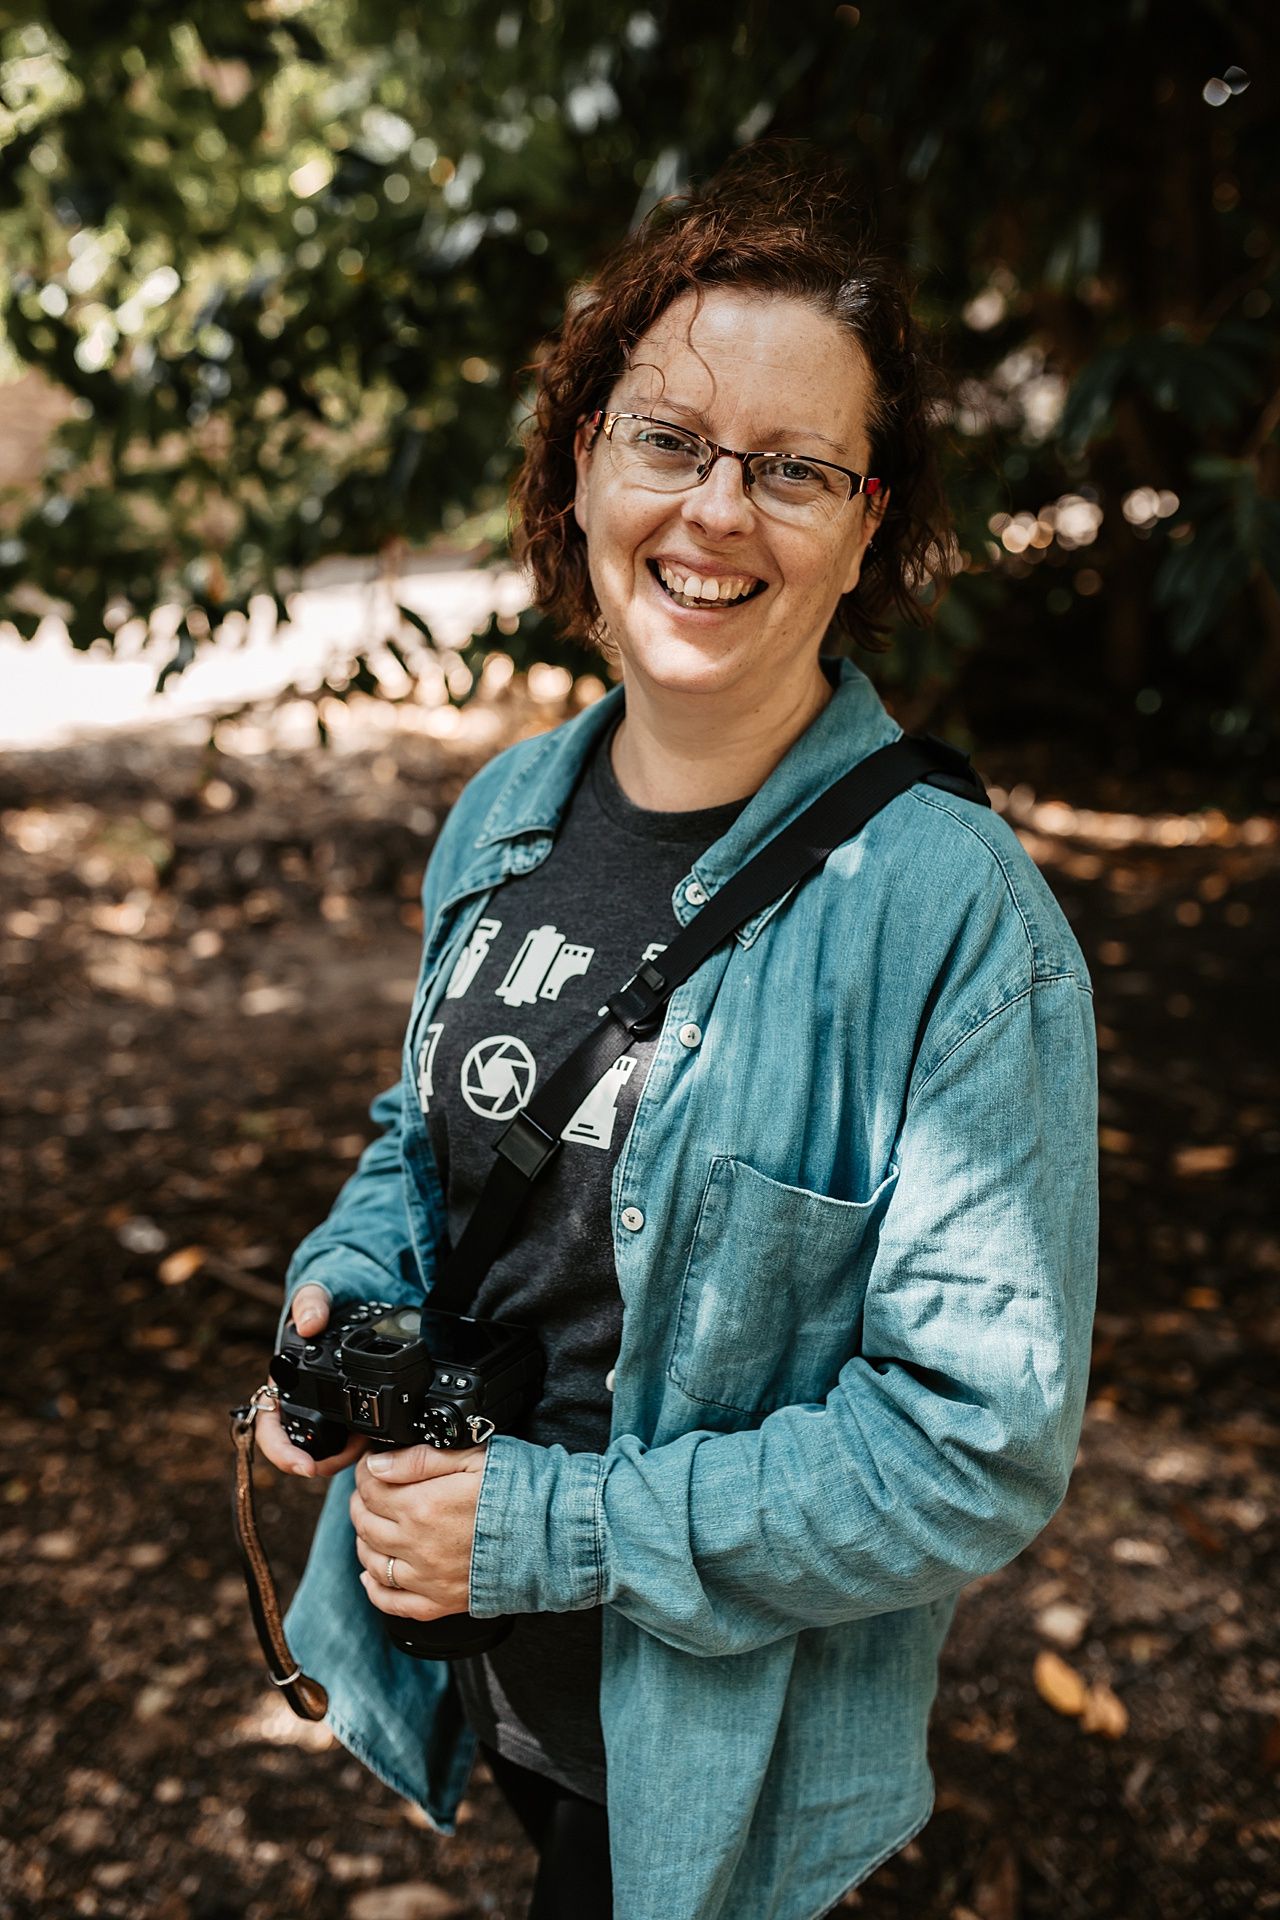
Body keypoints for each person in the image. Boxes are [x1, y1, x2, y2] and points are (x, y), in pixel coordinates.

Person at [254, 145, 1098, 1920]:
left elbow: (973, 1449)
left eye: (792, 468)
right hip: (492, 1683)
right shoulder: (503, 817)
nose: (718, 509)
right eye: (669, 439)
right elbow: (428, 1137)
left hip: (737, 1767)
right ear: (584, 464)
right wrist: (347, 1272)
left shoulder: (957, 921)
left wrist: (550, 1530)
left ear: (868, 523)